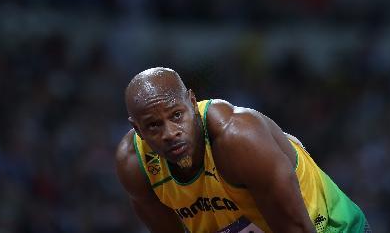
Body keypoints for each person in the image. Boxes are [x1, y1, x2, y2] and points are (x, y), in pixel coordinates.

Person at [115, 67, 370, 232]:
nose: (170, 133)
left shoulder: (238, 139)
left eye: (177, 115)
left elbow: (297, 229)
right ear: (138, 130)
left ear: (192, 103)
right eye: (154, 125)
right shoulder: (135, 166)